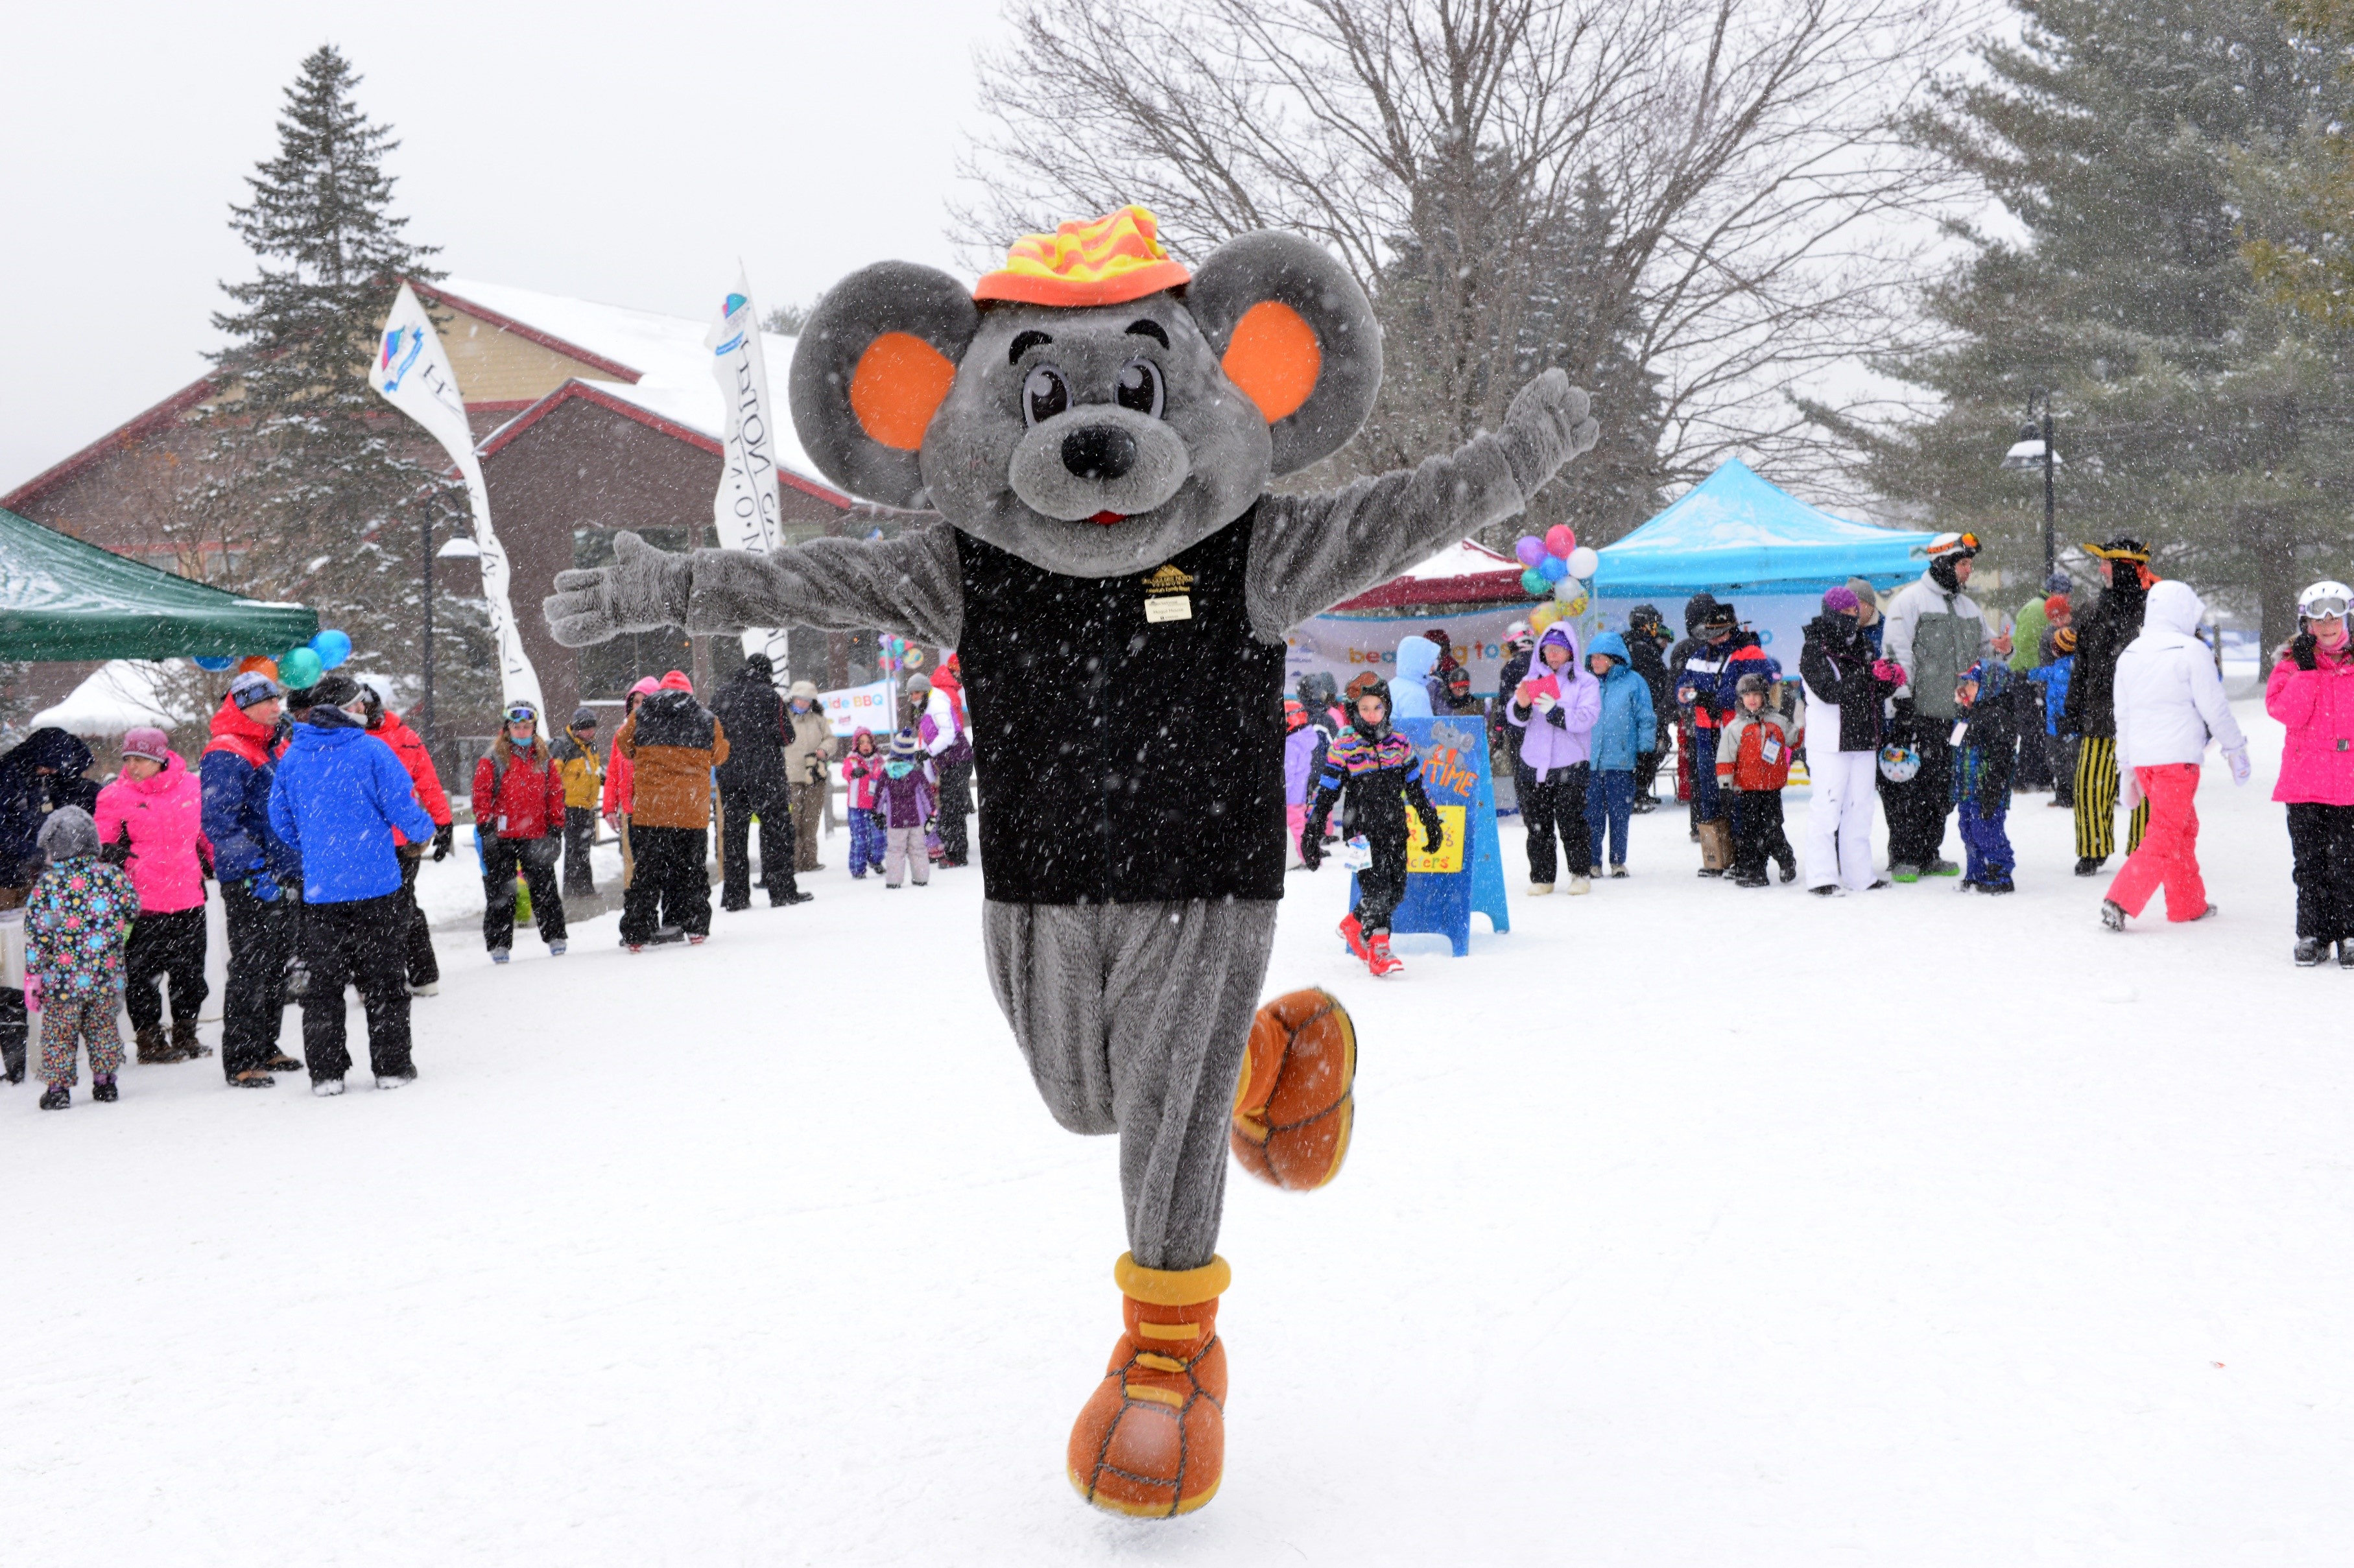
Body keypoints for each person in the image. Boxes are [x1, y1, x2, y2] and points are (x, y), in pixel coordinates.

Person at [268, 674, 438, 1093]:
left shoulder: (293, 757)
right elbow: (403, 804)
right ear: (345, 709)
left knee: (323, 986)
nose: (365, 709)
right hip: (377, 885)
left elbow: (280, 820)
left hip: (323, 890)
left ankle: (326, 1073)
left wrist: (315, 845)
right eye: (360, 704)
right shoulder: (372, 750)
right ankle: (392, 1066)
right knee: (383, 980)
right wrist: (422, 831)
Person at [2100, 580, 2250, 931]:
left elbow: (2123, 717)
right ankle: (2120, 900)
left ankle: (2187, 903)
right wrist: (2235, 748)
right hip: (2177, 760)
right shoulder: (2191, 650)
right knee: (2166, 833)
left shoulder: (2130, 654)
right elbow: (2215, 708)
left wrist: (2127, 768)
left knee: (2182, 827)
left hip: (2145, 761)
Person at [1301, 673, 1445, 977]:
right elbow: (1326, 793)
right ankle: (1379, 948)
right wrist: (1312, 833)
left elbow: (1417, 789)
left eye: (1377, 708)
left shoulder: (1399, 744)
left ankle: (1354, 923)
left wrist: (1431, 821)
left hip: (1395, 829)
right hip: (1360, 835)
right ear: (1354, 710)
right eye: (1364, 708)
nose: (1371, 714)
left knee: (1396, 890)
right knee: (1377, 888)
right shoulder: (1346, 746)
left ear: (1387, 709)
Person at [201, 671, 303, 1087]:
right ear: (244, 708)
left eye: (277, 700)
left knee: (277, 963)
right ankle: (241, 1058)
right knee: (251, 966)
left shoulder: (270, 746)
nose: (277, 707)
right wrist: (255, 868)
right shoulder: (227, 751)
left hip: (283, 872)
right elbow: (219, 822)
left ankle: (265, 1045)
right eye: (267, 703)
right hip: (252, 878)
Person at [1880, 531, 1995, 881]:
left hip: (1957, 719)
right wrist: (1902, 702)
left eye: (1970, 564)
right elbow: (1896, 654)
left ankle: (1930, 852)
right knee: (1911, 787)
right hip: (1920, 715)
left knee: (1944, 788)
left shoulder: (1968, 607)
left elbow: (1986, 650)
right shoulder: (1909, 602)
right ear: (1944, 564)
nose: (1969, 571)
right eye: (1963, 564)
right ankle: (1904, 856)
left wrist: (2002, 650)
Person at [94, 726, 211, 1063]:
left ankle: (186, 1033)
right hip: (142, 903)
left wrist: (224, 865)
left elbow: (206, 836)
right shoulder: (114, 796)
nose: (132, 766)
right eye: (128, 758)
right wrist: (110, 855)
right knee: (142, 977)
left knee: (190, 974)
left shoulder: (192, 786)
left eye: (141, 759)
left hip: (188, 896)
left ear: (160, 758)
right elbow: (102, 844)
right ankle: (149, 1040)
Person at [25, 807, 136, 1109]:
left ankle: (58, 1089)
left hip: (61, 982)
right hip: (104, 975)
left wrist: (34, 976)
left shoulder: (46, 886)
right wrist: (117, 939)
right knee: (103, 1028)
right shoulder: (111, 876)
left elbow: (38, 935)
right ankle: (105, 1082)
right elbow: (131, 910)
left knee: (59, 1035)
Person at [1800, 586, 1905, 895]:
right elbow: (1829, 692)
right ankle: (1821, 876)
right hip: (1830, 741)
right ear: (1829, 613)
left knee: (1861, 810)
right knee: (1827, 809)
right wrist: (1869, 678)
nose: (1850, 620)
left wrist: (1889, 682)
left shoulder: (1863, 645)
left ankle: (1860, 875)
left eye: (1854, 614)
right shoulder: (1814, 648)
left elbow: (1867, 694)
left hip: (1863, 738)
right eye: (1844, 614)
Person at [613, 669, 728, 949]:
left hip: (652, 810)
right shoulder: (706, 719)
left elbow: (624, 745)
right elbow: (720, 755)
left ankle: (636, 933)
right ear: (689, 692)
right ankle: (696, 927)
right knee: (692, 870)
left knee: (647, 872)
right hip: (692, 810)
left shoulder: (640, 716)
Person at [2271, 580, 2354, 965]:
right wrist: (2306, 672)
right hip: (2305, 782)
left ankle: (2350, 932)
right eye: (2319, 619)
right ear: (2307, 622)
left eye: (2335, 617)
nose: (2328, 625)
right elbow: (2288, 713)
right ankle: (2314, 933)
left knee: (2348, 861)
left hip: (2349, 784)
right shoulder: (2291, 664)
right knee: (2310, 862)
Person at [2063, 538, 2154, 875]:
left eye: (2106, 564)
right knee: (2088, 785)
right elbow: (2081, 666)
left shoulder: (2155, 611)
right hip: (2100, 714)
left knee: (2146, 788)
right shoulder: (2092, 611)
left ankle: (2146, 850)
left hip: (2145, 718)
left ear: (2125, 569)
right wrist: (2072, 708)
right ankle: (2093, 849)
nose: (2100, 570)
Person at [363, 685, 454, 994]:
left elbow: (428, 783)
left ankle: (380, 978)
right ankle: (421, 973)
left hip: (383, 840)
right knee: (402, 905)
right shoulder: (403, 738)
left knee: (381, 907)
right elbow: (428, 783)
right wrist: (442, 823)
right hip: (395, 837)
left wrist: (443, 823)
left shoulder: (383, 740)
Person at [707, 653, 810, 910]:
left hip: (730, 774)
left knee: (734, 833)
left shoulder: (721, 694)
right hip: (766, 775)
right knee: (777, 832)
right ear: (768, 673)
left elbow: (712, 734)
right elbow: (788, 736)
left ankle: (735, 896)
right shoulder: (770, 696)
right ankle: (782, 891)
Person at [470, 699, 569, 963]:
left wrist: (556, 826)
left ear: (534, 728)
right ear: (508, 728)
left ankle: (555, 935)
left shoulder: (544, 758)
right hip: (501, 837)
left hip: (536, 835)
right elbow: (481, 795)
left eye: (527, 726)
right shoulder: (492, 758)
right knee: (502, 892)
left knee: (545, 889)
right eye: (517, 726)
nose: (522, 731)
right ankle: (499, 943)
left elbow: (555, 794)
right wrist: (486, 827)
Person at [1506, 623, 1601, 894]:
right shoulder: (1532, 679)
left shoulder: (1586, 682)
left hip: (1571, 762)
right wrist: (1521, 705)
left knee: (1572, 822)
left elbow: (1587, 717)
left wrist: (1555, 711)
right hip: (1534, 763)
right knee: (1537, 825)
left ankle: (1580, 874)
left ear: (1571, 652)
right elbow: (1515, 717)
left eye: (1559, 650)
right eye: (1548, 650)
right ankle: (1542, 878)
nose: (1553, 655)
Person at [1672, 595, 1753, 875]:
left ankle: (1743, 857)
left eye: (1718, 633)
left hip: (1736, 733)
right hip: (1706, 734)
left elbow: (1750, 690)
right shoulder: (1698, 655)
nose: (1714, 639)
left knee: (1735, 794)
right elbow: (1683, 685)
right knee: (1709, 793)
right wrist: (1684, 696)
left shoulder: (1746, 651)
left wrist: (1715, 698)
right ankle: (1716, 856)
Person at [1715, 672, 1800, 886]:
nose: (1751, 699)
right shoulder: (1735, 728)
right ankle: (1755, 871)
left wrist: (1801, 717)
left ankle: (1786, 859)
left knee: (1773, 828)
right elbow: (1725, 759)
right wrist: (1726, 786)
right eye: (1747, 695)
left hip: (1772, 788)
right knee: (1750, 831)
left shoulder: (1778, 722)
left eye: (1756, 694)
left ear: (1765, 697)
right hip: (1746, 789)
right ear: (1740, 699)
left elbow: (1796, 740)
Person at [1581, 631, 1654, 877]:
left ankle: (1617, 861)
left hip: (1621, 762)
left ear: (1614, 658)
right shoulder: (1585, 683)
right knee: (1592, 816)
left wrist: (1645, 754)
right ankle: (1592, 862)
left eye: (1600, 658)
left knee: (1619, 815)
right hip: (1590, 763)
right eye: (1592, 658)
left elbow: (1646, 720)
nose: (1595, 663)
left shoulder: (1635, 682)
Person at [1951, 660, 2027, 893]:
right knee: (1968, 829)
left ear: (1991, 687)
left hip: (1987, 791)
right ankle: (1976, 873)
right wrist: (1963, 707)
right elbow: (1959, 743)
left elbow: (2002, 761)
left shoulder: (1999, 716)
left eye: (1974, 683)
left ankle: (2000, 872)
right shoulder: (1974, 712)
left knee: (1987, 831)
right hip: (1968, 789)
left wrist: (1992, 793)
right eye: (1968, 682)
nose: (1968, 688)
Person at [602, 676, 659, 890]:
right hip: (632, 811)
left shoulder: (661, 733)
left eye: (645, 701)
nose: (639, 706)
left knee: (655, 867)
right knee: (639, 868)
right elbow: (613, 772)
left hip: (657, 811)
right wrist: (609, 807)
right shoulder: (622, 734)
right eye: (635, 701)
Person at [924, 661, 976, 867]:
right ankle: (954, 850)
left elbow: (945, 732)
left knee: (951, 806)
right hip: (953, 756)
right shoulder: (946, 695)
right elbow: (952, 730)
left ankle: (955, 851)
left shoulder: (938, 694)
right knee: (953, 806)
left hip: (952, 758)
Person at [1624, 606, 1676, 811]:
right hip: (1642, 712)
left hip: (1633, 711)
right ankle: (1636, 794)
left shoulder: (1632, 644)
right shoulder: (1641, 648)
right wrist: (1661, 710)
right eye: (1655, 624)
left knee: (1647, 749)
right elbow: (1655, 683)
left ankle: (1638, 792)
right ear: (1646, 625)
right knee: (1649, 749)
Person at [783, 679, 837, 873]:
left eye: (807, 700)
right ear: (793, 699)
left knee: (811, 820)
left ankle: (810, 860)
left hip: (815, 775)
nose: (803, 703)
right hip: (791, 777)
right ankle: (794, 862)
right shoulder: (784, 719)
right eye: (799, 699)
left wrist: (823, 750)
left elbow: (831, 740)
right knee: (793, 820)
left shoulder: (819, 720)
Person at [550, 707, 604, 899]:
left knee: (584, 847)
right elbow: (553, 776)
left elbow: (595, 773)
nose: (590, 733)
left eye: (592, 729)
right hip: (570, 807)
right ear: (576, 728)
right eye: (586, 729)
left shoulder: (591, 747)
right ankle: (573, 889)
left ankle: (585, 887)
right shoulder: (563, 746)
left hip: (586, 806)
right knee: (574, 848)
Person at [2027, 621, 2079, 809]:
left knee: (2062, 761)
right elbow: (2042, 673)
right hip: (2063, 725)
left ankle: (2068, 795)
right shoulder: (2065, 667)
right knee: (2063, 760)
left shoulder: (2064, 669)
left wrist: (2024, 675)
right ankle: (2066, 793)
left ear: (2058, 649)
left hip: (2061, 725)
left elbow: (2042, 676)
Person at [877, 728, 938, 887]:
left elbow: (880, 796)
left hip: (895, 822)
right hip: (916, 820)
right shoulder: (917, 774)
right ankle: (921, 878)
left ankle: (894, 881)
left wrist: (876, 813)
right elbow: (927, 796)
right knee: (918, 849)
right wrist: (932, 814)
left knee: (895, 851)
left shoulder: (886, 774)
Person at [841, 727, 888, 879]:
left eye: (868, 742)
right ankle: (858, 868)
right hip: (857, 806)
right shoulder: (853, 760)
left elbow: (885, 779)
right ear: (856, 745)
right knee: (860, 839)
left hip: (876, 807)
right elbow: (846, 771)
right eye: (861, 742)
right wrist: (853, 773)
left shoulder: (879, 761)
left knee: (879, 837)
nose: (866, 745)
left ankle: (876, 860)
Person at [1282, 697, 1321, 869]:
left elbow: (1287, 774)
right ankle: (1308, 853)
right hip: (1299, 792)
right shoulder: (1303, 739)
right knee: (1300, 826)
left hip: (1290, 795)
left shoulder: (1291, 744)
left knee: (1296, 827)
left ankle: (1304, 855)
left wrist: (1281, 790)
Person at [1389, 634, 1443, 719]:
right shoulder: (1416, 694)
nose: (1434, 667)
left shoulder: (1391, 686)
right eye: (1431, 662)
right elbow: (1420, 728)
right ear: (1420, 662)